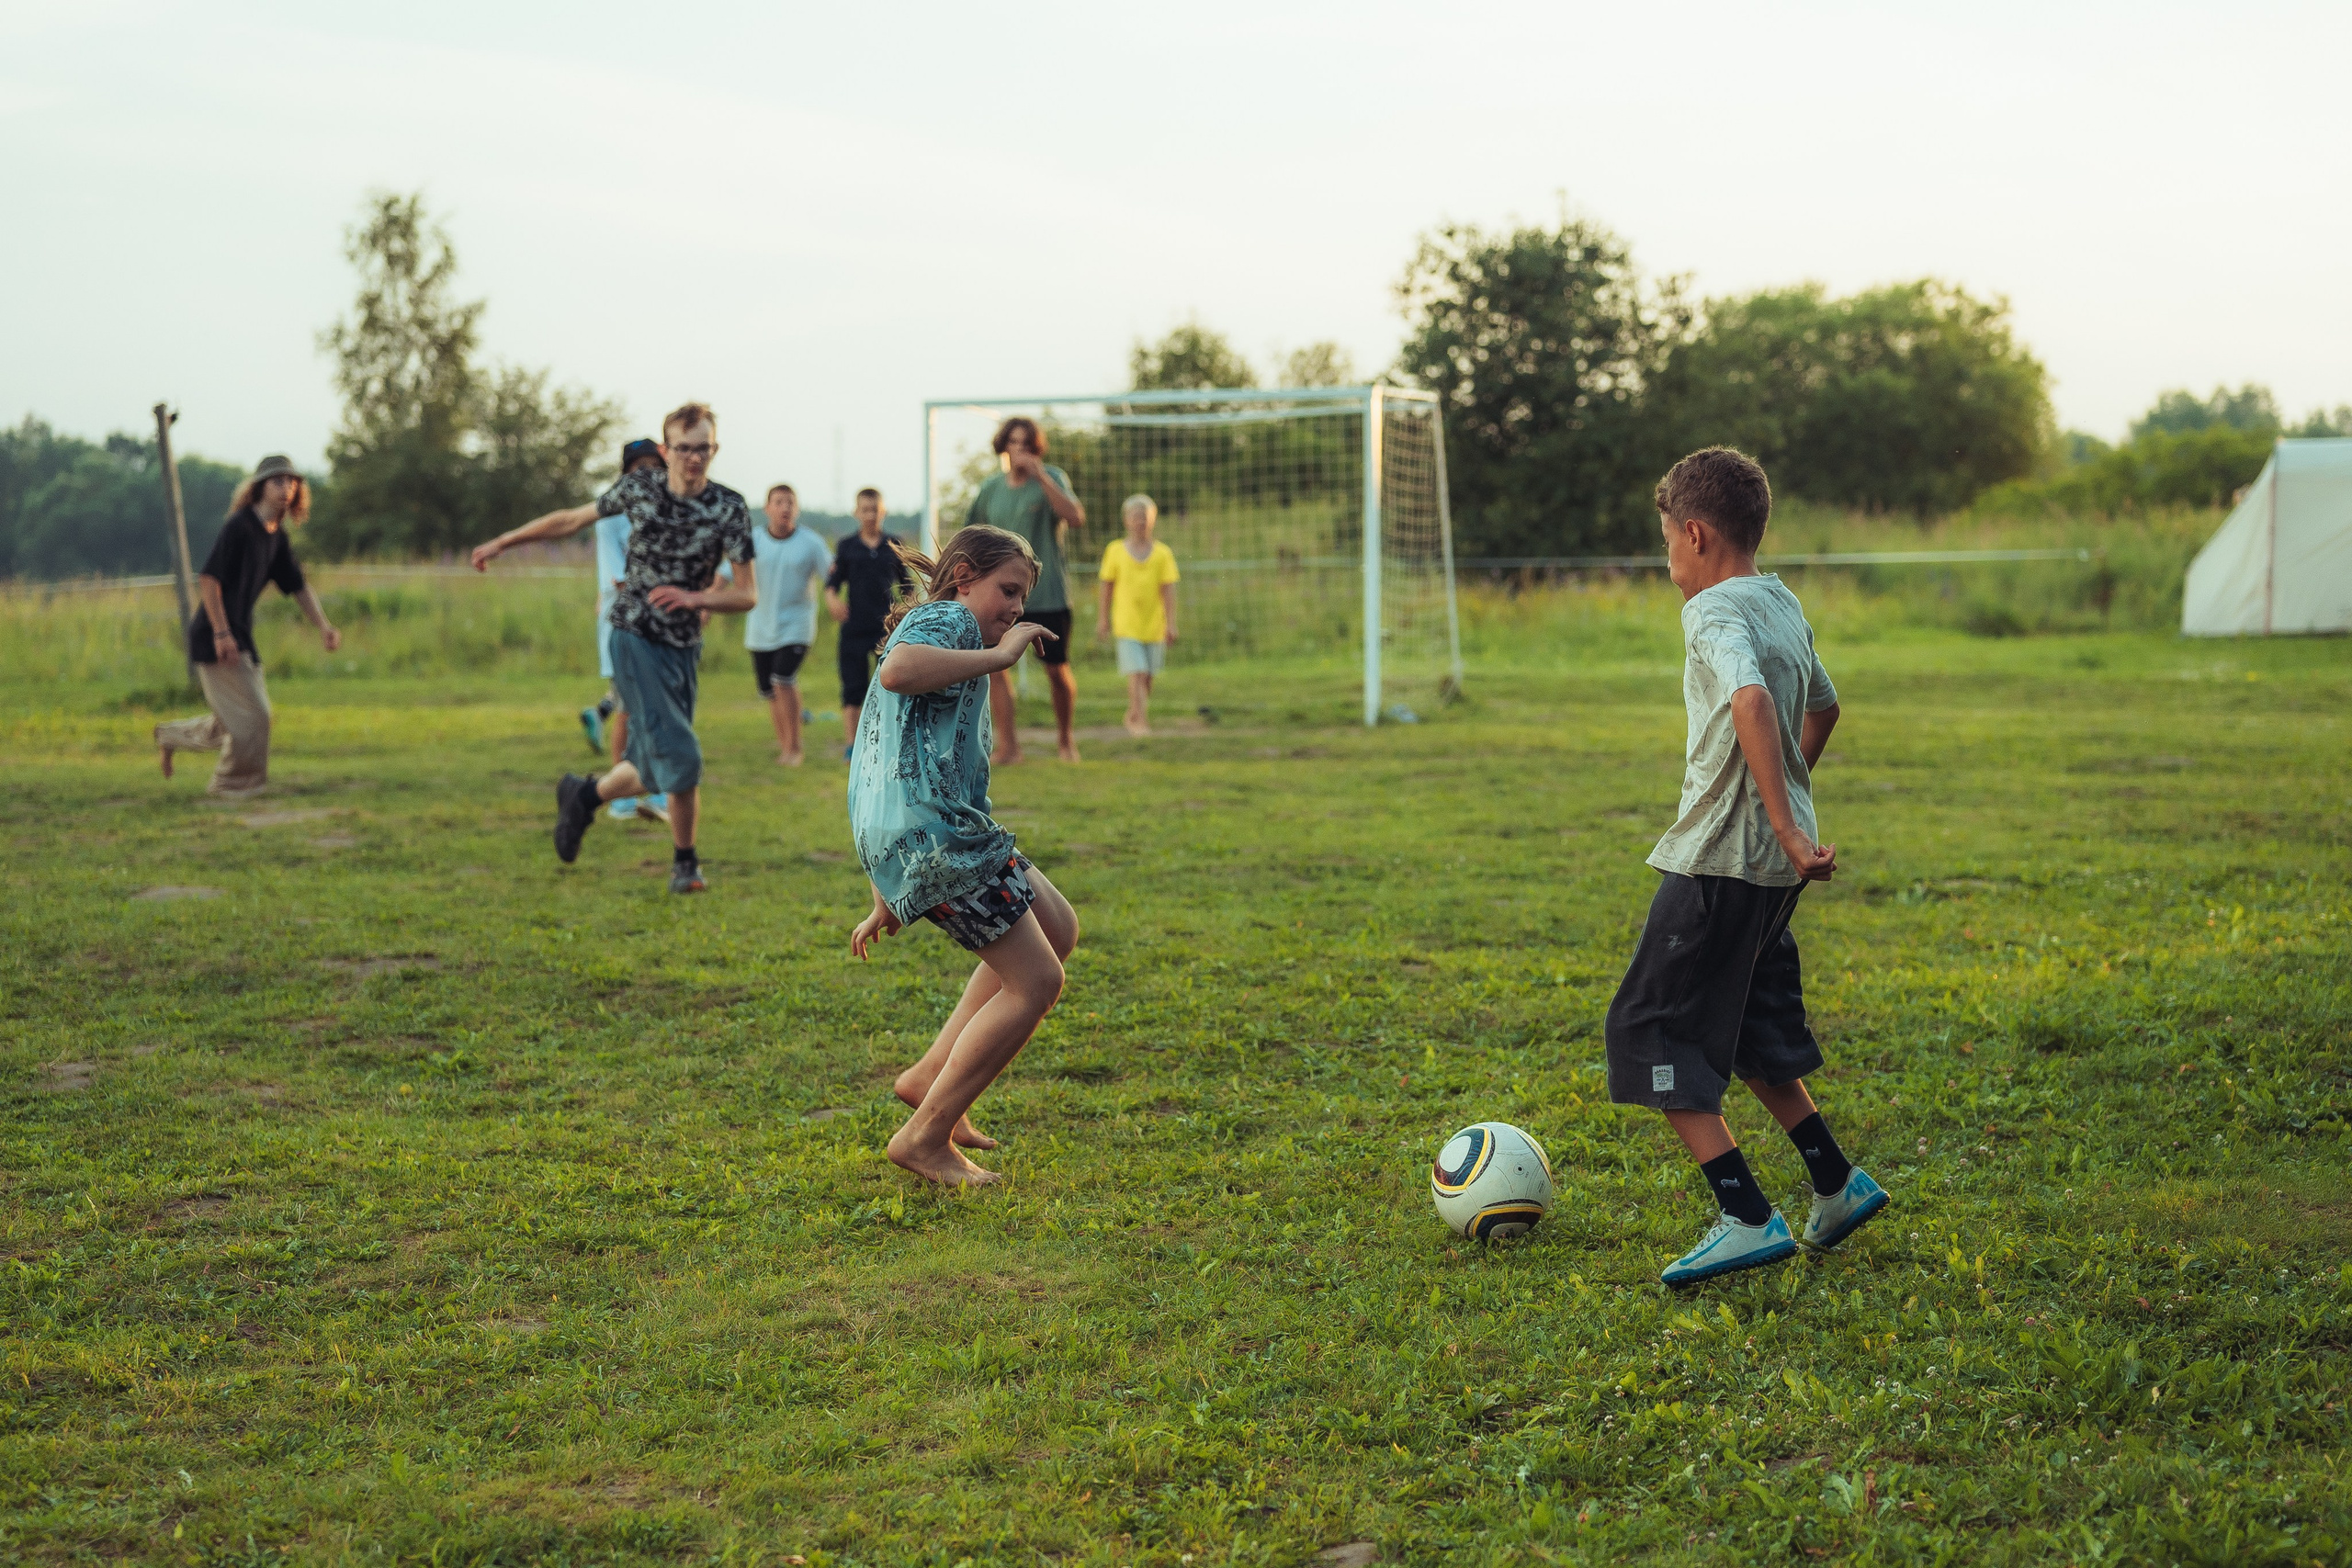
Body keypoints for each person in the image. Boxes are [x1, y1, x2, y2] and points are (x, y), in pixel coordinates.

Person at [1602, 446, 1886, 1287]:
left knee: (1647, 1030)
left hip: (1717, 864)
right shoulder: (1782, 601)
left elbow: (1752, 698)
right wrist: (1791, 811)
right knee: (1757, 1034)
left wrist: (1780, 823)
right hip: (1768, 874)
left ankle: (1746, 1215)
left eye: (1665, 543)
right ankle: (1835, 1184)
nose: (1667, 564)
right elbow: (1824, 704)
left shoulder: (1712, 611)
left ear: (1695, 533)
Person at [847, 525, 1080, 1187]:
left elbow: (887, 759)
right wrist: (1001, 657)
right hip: (936, 837)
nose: (1015, 609)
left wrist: (885, 888)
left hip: (943, 830)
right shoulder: (947, 620)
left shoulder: (954, 631)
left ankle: (929, 1080)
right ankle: (923, 1139)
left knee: (1057, 926)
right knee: (1036, 982)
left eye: (1022, 597)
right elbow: (897, 672)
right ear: (964, 577)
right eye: (1007, 591)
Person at [471, 402, 755, 894]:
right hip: (632, 634)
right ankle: (685, 864)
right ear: (666, 450)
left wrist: (696, 597)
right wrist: (504, 541)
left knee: (649, 764)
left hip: (682, 646)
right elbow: (569, 521)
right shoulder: (640, 488)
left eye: (702, 449)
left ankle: (584, 796)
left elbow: (747, 593)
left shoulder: (729, 507)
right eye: (683, 449)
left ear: (715, 449)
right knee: (682, 754)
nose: (693, 458)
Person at [154, 456, 342, 796]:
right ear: (260, 487)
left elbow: (298, 586)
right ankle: (232, 786)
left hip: (241, 635)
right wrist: (221, 632)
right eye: (277, 481)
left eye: (291, 481)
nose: (286, 488)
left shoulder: (276, 537)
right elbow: (209, 580)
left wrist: (324, 626)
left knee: (235, 720)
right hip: (215, 635)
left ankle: (170, 735)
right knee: (256, 716)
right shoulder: (239, 526)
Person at [967, 417, 1086, 763]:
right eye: (1015, 443)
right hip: (999, 598)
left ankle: (1065, 740)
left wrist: (1041, 476)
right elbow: (970, 535)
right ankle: (1010, 747)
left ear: (1036, 449)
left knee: (1056, 669)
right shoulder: (990, 488)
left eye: (1028, 444)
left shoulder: (1052, 479)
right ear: (1004, 446)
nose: (1021, 450)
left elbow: (1076, 518)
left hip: (1048, 594)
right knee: (995, 667)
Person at [580, 438, 668, 823]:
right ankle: (618, 796)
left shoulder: (665, 510)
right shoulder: (613, 514)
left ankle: (653, 788)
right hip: (625, 623)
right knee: (627, 709)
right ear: (626, 472)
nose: (647, 473)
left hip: (659, 621)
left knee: (657, 709)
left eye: (653, 465)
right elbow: (620, 579)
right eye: (639, 467)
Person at [823, 488, 914, 761]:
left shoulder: (894, 544)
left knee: (889, 686)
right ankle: (852, 745)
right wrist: (832, 602)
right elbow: (832, 585)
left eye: (875, 509)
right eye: (865, 510)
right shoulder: (847, 546)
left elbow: (907, 587)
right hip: (854, 627)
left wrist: (909, 614)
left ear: (883, 511)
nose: (870, 515)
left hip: (886, 630)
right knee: (853, 687)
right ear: (856, 512)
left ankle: (887, 741)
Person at [745, 482, 831, 766]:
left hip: (797, 624)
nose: (785, 507)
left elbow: (831, 577)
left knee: (783, 679)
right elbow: (728, 572)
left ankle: (795, 748)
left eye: (790, 502)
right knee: (769, 690)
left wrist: (834, 599)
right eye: (779, 502)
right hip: (760, 626)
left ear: (797, 508)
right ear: (767, 508)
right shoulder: (753, 540)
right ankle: (784, 746)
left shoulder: (811, 542)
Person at [1095, 492, 1181, 737]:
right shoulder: (1115, 551)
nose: (1140, 521)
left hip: (1154, 625)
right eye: (1135, 516)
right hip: (1126, 623)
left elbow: (1169, 591)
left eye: (1145, 517)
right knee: (1137, 672)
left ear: (1153, 520)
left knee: (1148, 677)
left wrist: (1171, 623)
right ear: (1126, 520)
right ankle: (1140, 722)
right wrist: (1103, 619)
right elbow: (1106, 587)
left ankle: (1133, 712)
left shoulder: (1163, 554)